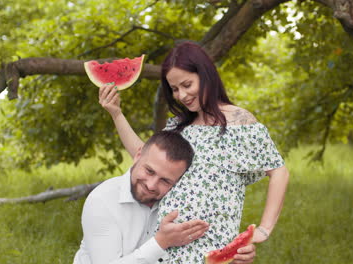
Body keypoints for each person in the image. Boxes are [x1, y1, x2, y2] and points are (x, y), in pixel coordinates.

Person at [99, 41, 289, 263]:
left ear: (205, 74)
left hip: (210, 253)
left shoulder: (240, 123)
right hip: (162, 251)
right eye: (175, 89)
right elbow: (143, 156)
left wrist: (264, 230)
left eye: (187, 84)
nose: (182, 95)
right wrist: (116, 114)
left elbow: (279, 172)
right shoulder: (177, 126)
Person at [74, 131, 256, 264]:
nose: (151, 185)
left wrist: (234, 257)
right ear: (138, 155)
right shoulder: (102, 201)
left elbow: (197, 252)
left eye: (165, 180)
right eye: (149, 171)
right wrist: (161, 242)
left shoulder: (183, 200)